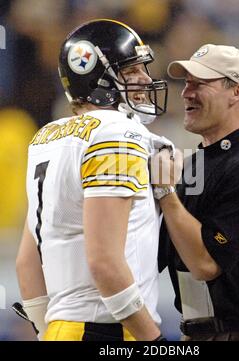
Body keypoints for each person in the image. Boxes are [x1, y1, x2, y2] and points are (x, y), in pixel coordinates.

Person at [15, 19, 171, 341]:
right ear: (97, 80)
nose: (145, 78)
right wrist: (153, 340)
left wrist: (52, 333)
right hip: (110, 330)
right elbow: (104, 263)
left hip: (67, 329)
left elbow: (27, 264)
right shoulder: (116, 131)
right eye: (130, 71)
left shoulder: (47, 136)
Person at [153, 44, 239, 341]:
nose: (186, 92)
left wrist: (165, 191)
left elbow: (206, 263)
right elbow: (157, 253)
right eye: (187, 83)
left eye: (200, 83)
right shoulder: (194, 165)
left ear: (237, 92)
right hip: (197, 332)